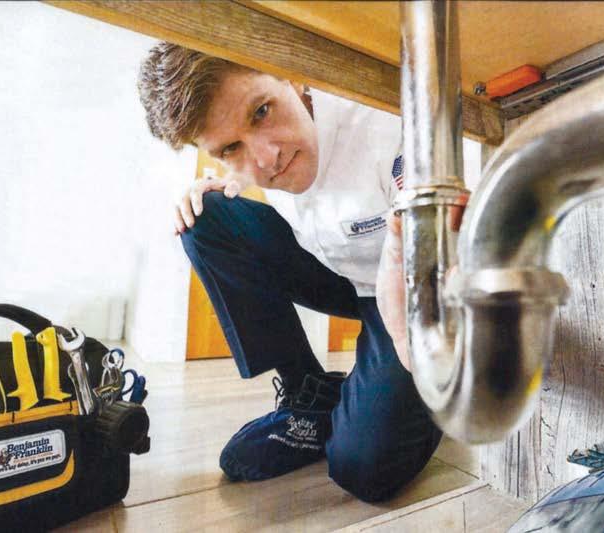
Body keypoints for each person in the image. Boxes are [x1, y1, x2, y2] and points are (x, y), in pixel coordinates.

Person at [137, 42, 441, 503]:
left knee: (363, 467)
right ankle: (309, 395)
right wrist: (221, 187)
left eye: (262, 112)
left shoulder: (385, 129)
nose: (266, 158)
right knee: (203, 217)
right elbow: (243, 171)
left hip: (413, 289)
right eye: (230, 147)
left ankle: (421, 402)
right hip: (340, 276)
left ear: (294, 77)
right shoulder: (257, 158)